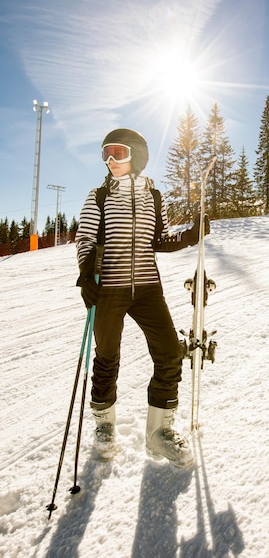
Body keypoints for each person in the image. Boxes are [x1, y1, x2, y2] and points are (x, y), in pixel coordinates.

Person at [75, 128, 208, 467]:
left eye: (117, 152)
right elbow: (86, 240)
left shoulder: (153, 195)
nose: (110, 160)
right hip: (110, 288)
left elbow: (159, 239)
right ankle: (104, 424)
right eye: (105, 154)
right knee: (106, 355)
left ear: (135, 154)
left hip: (148, 287)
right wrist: (86, 277)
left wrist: (191, 235)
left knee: (168, 353)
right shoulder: (99, 196)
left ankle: (158, 432)